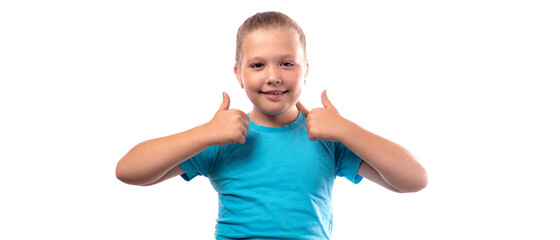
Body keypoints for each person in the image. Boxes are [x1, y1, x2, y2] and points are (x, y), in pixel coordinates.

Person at [116, 11, 427, 239]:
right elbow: (128, 171)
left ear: (306, 70)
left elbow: (414, 180)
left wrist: (345, 129)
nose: (273, 75)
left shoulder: (327, 138)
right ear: (238, 74)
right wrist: (205, 134)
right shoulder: (219, 140)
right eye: (257, 65)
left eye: (287, 63)